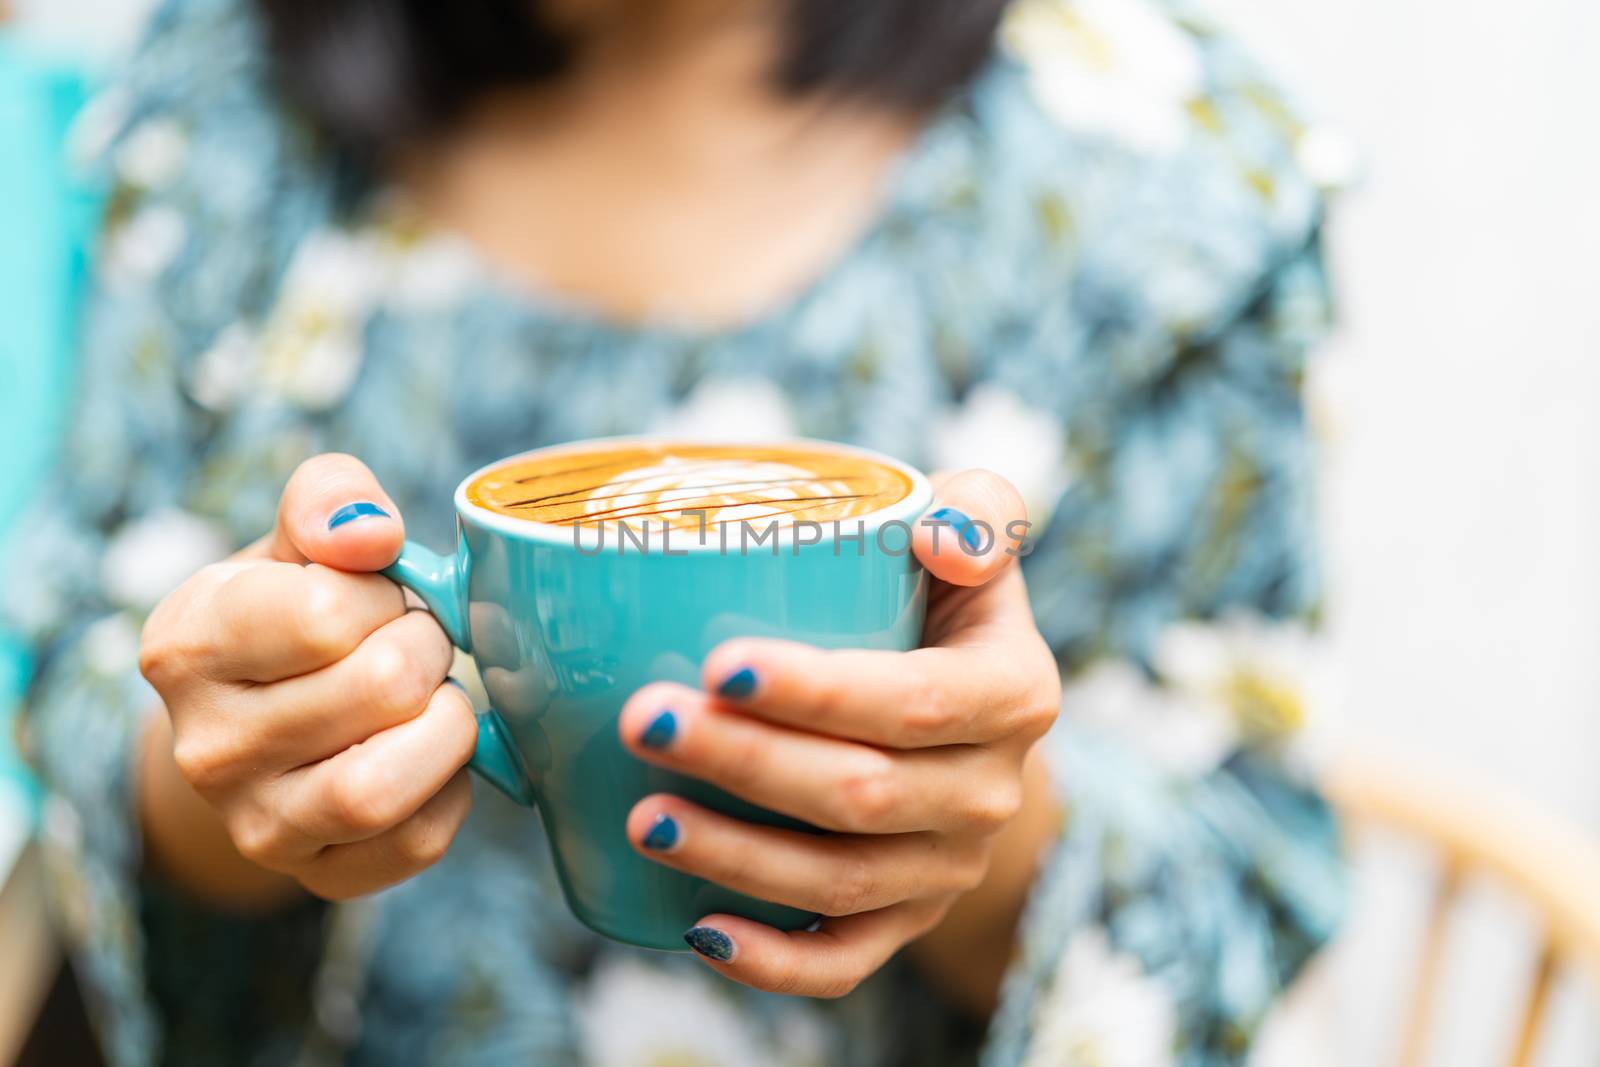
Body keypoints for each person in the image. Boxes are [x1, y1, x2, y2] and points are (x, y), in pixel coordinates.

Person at [3, 0, 1344, 1063]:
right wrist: (227, 779)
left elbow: (1249, 878)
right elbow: (77, 669)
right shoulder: (224, 98)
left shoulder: (1162, 157)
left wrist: (979, 839)